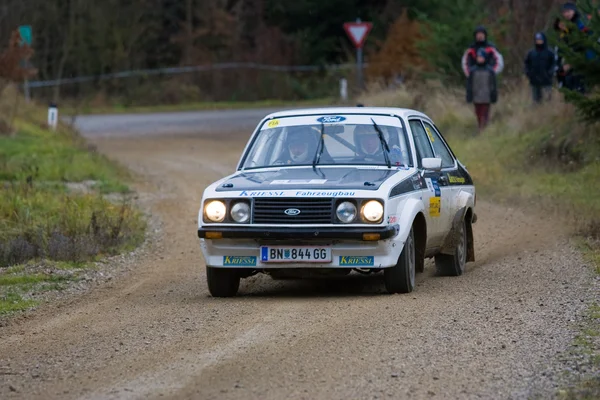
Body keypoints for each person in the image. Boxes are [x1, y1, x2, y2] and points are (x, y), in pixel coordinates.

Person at [466, 48, 498, 133]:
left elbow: (493, 84)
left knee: (485, 114)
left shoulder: (490, 71)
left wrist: (494, 95)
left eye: (481, 57)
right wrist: (469, 95)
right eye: (478, 57)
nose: (480, 59)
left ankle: (483, 129)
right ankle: (481, 128)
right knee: (478, 114)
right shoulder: (473, 71)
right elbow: (469, 84)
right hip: (476, 96)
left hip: (486, 96)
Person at [524, 32, 556, 104]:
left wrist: (550, 73)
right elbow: (526, 64)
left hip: (546, 79)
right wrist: (528, 73)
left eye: (540, 40)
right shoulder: (531, 53)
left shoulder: (549, 52)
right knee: (536, 101)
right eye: (537, 40)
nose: (539, 41)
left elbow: (553, 64)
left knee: (548, 100)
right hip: (534, 80)